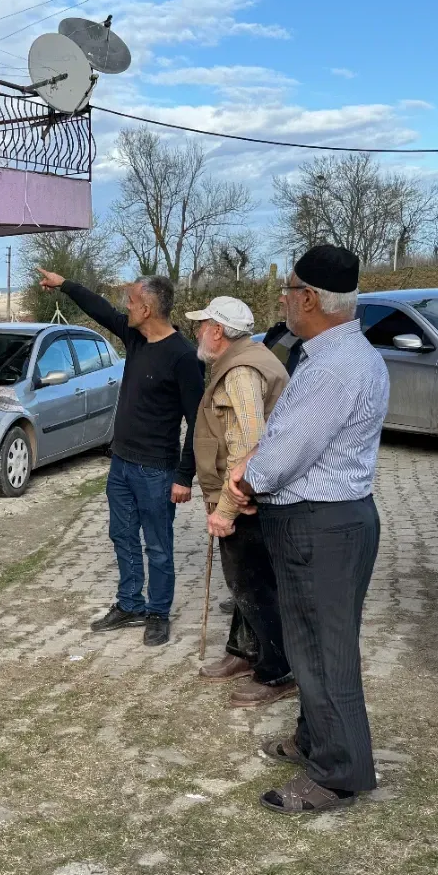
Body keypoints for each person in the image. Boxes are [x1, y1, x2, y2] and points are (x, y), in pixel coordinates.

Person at [226, 244, 388, 816]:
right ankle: (315, 740)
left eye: (289, 288)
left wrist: (249, 477)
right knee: (311, 642)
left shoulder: (336, 366)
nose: (283, 298)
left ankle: (339, 774)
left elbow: (285, 453)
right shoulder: (330, 353)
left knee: (322, 651)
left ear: (311, 299)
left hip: (320, 525)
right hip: (329, 521)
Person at [39, 271, 205, 646]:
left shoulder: (183, 358)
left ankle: (158, 613)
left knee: (158, 546)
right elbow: (100, 310)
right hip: (122, 464)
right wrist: (65, 284)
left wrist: (184, 475)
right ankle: (130, 604)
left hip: (157, 471)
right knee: (122, 536)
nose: (125, 308)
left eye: (131, 301)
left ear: (147, 309)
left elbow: (199, 421)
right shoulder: (135, 336)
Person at [186, 295, 295, 709]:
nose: (197, 331)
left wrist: (226, 510)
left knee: (254, 585)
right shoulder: (243, 359)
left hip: (249, 498)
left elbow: (248, 446)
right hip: (246, 494)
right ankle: (245, 652)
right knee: (245, 580)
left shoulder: (241, 371)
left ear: (217, 330)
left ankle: (276, 671)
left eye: (202, 324)